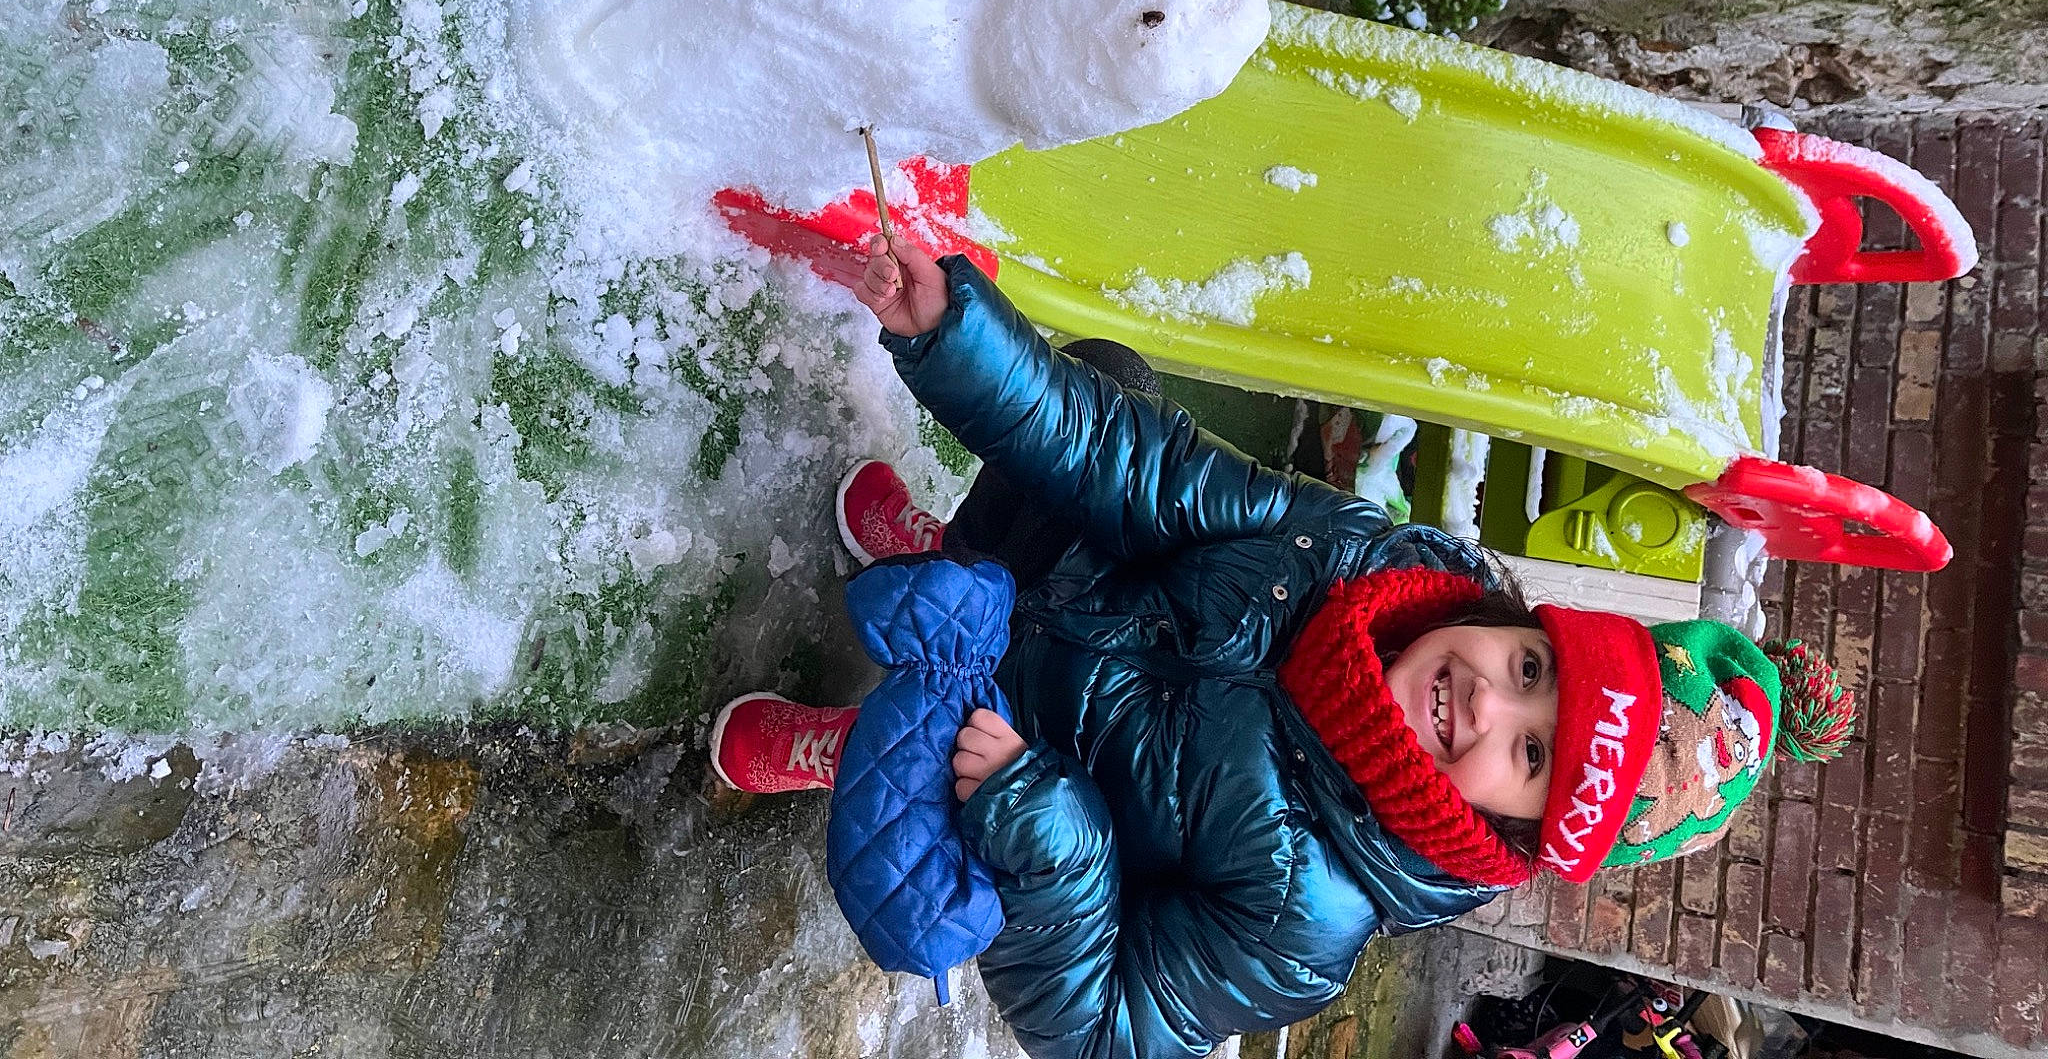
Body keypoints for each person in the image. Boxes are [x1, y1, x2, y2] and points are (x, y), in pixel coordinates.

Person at [711, 239, 1853, 1059]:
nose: (1488, 704)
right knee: (1106, 382)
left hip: (1005, 770)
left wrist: (1046, 841)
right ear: (1523, 630)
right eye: (1531, 671)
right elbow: (1147, 472)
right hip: (1039, 597)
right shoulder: (1355, 557)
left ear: (1510, 824)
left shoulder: (1307, 919)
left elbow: (1105, 1025)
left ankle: (858, 740)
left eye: (1531, 758)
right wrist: (957, 342)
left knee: (935, 854)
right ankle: (939, 567)